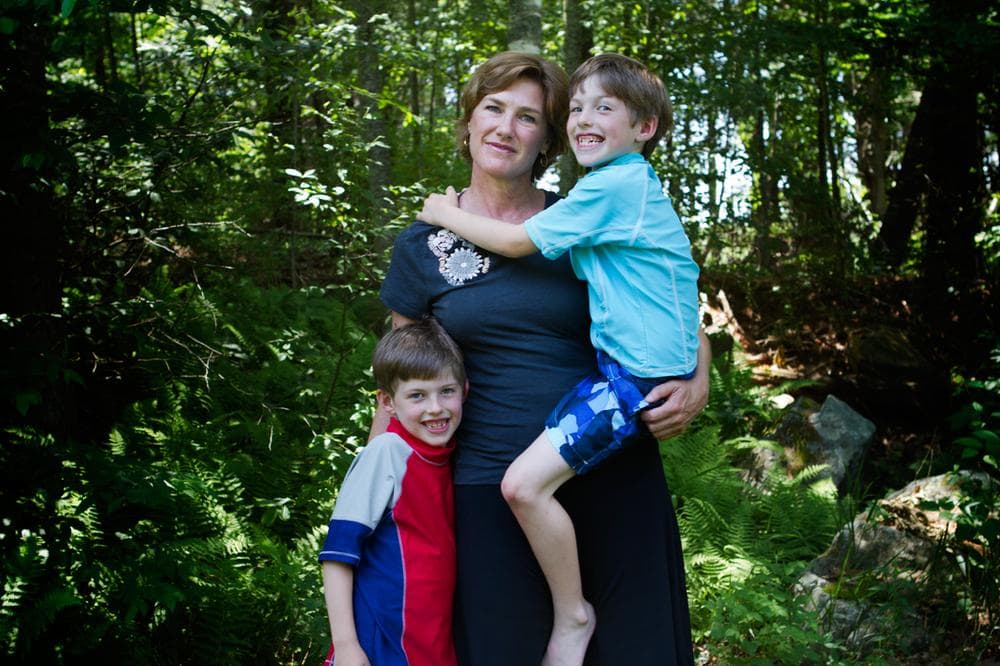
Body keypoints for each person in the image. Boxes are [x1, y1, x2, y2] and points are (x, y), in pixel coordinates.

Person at [378, 51, 709, 666]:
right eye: (494, 108)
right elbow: (399, 381)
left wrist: (698, 377)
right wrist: (383, 483)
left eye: (528, 117)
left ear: (548, 140)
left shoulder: (584, 215)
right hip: (489, 485)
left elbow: (668, 297)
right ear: (469, 121)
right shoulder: (423, 246)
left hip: (613, 473)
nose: (506, 128)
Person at [319, 318, 467, 666]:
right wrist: (346, 646)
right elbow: (337, 555)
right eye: (417, 395)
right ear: (387, 402)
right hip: (379, 647)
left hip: (430, 648)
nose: (435, 407)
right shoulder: (386, 452)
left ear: (465, 390)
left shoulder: (448, 457)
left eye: (446, 391)